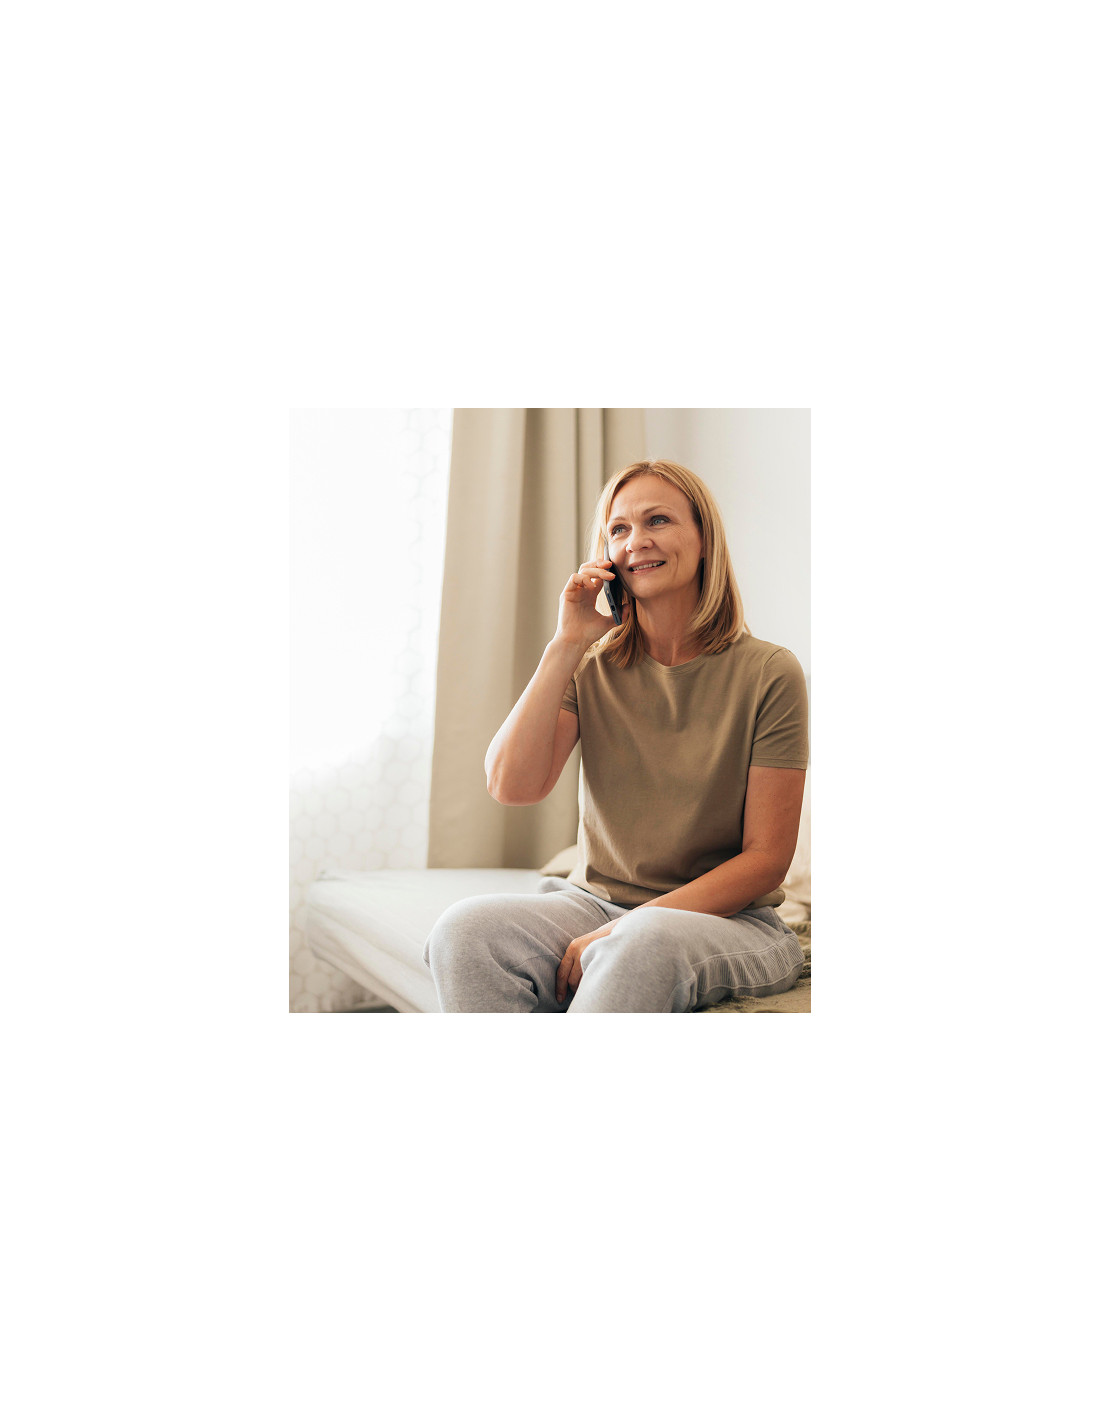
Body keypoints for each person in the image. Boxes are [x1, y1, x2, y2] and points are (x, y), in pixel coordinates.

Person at [423, 459, 809, 1012]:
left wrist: (623, 931)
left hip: (734, 921)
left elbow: (766, 859)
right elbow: (511, 785)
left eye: (658, 520)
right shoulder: (590, 665)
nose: (636, 541)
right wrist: (565, 643)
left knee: (641, 942)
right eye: (619, 528)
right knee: (464, 931)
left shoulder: (770, 671)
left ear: (704, 539)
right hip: (596, 903)